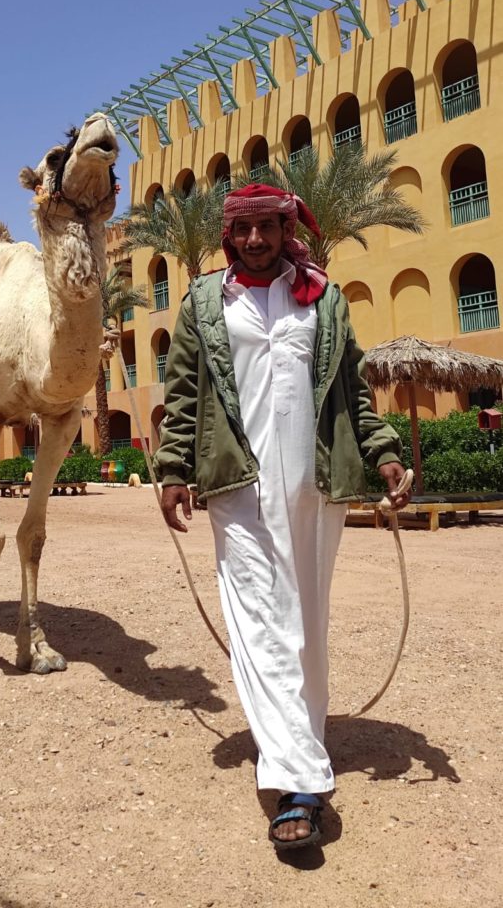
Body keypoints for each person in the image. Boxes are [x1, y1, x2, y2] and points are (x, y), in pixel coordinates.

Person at [152, 183, 410, 851]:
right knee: (259, 620)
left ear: (286, 227)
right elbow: (183, 393)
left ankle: (300, 736)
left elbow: (353, 388)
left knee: (302, 620)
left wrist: (381, 452)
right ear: (227, 235)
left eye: (268, 227)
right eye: (243, 230)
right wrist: (173, 468)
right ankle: (298, 783)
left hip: (313, 488)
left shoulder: (322, 297)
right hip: (237, 485)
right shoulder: (205, 303)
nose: (256, 240)